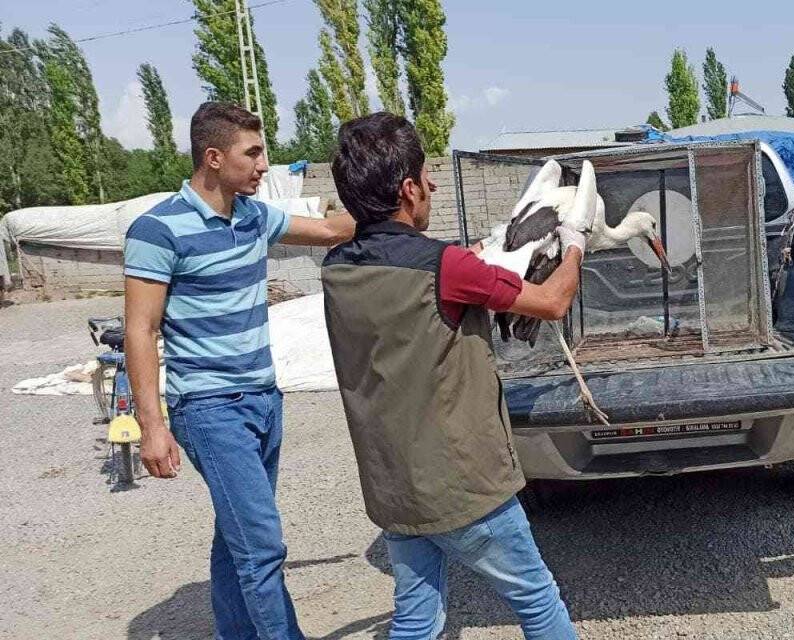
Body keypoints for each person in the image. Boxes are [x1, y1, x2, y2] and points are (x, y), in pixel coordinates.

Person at [321, 112, 580, 640]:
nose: (435, 185)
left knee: (416, 619)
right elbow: (552, 303)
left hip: (394, 484)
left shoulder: (337, 268)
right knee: (536, 599)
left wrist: (476, 259)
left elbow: (414, 278)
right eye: (426, 174)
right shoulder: (446, 267)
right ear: (409, 188)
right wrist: (574, 239)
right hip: (463, 483)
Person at [123, 101, 357, 639]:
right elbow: (141, 329)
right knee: (262, 545)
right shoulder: (158, 230)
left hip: (263, 400)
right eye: (252, 153)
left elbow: (326, 231)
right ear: (212, 157)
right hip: (209, 409)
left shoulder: (253, 216)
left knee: (238, 540)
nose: (262, 165)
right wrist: (151, 427)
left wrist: (391, 204)